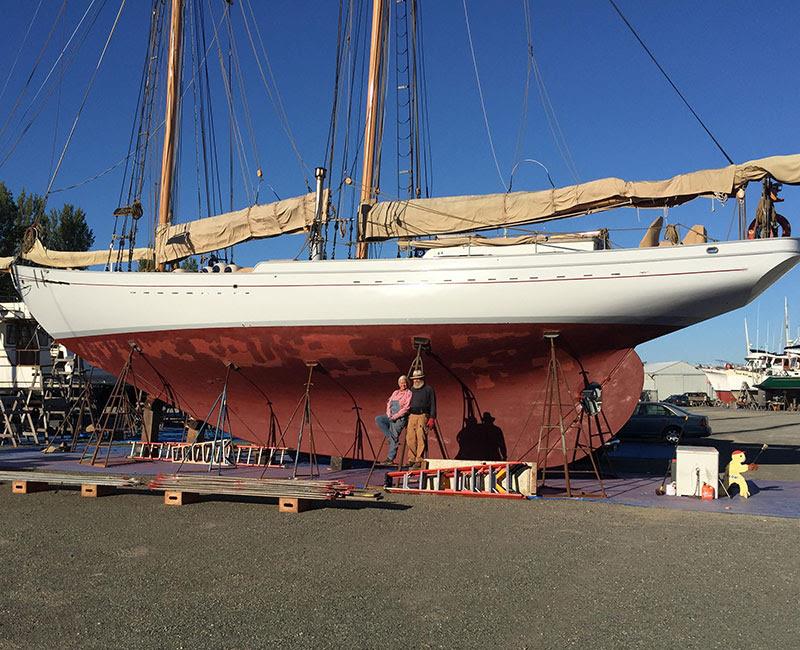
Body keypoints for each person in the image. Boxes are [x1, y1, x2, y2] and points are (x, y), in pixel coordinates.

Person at [374, 375, 411, 464]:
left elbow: (406, 408)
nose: (403, 384)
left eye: (405, 382)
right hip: (390, 416)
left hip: (400, 418)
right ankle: (390, 437)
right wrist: (388, 414)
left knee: (394, 435)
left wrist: (395, 416)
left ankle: (390, 458)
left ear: (407, 383)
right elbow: (389, 403)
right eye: (401, 383)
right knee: (379, 419)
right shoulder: (395, 392)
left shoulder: (409, 393)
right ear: (399, 384)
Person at [405, 369, 436, 468]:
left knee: (420, 435)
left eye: (418, 378)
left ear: (422, 378)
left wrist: (432, 417)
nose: (416, 380)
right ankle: (411, 458)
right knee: (410, 437)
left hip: (423, 415)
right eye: (414, 379)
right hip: (412, 415)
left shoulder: (428, 389)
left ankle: (419, 458)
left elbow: (433, 404)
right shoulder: (411, 390)